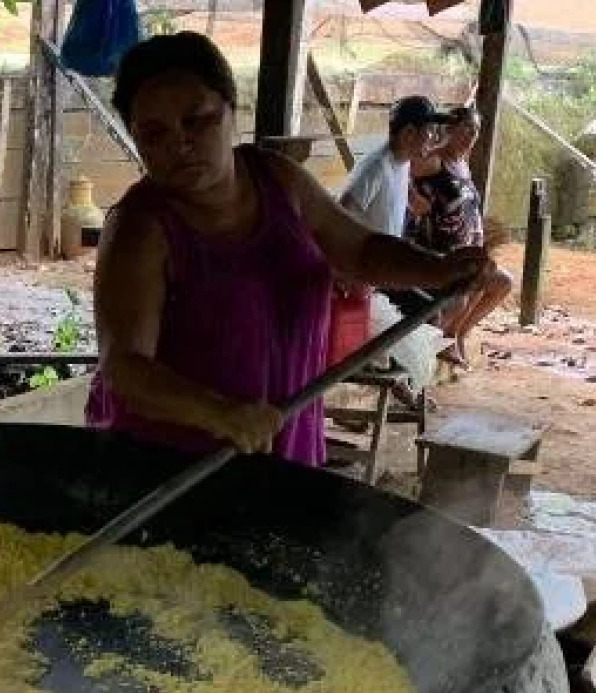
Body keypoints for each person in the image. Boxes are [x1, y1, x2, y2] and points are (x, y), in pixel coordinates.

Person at [87, 33, 490, 465]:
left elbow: (360, 250)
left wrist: (438, 269)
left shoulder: (277, 179)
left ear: (231, 109)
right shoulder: (139, 229)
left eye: (197, 120)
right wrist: (222, 415)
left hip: (283, 441)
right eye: (153, 133)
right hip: (170, 468)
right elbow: (125, 368)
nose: (178, 143)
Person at [409, 106, 514, 367]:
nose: (472, 135)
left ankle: (458, 334)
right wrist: (415, 201)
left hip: (467, 252)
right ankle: (426, 348)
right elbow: (402, 174)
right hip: (438, 251)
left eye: (476, 130)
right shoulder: (433, 161)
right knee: (470, 286)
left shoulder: (463, 165)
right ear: (449, 130)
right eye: (466, 128)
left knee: (501, 282)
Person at [340, 95, 450, 238]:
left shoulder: (403, 162)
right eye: (430, 130)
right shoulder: (376, 168)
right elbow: (341, 216)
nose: (434, 137)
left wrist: (411, 197)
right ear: (408, 133)